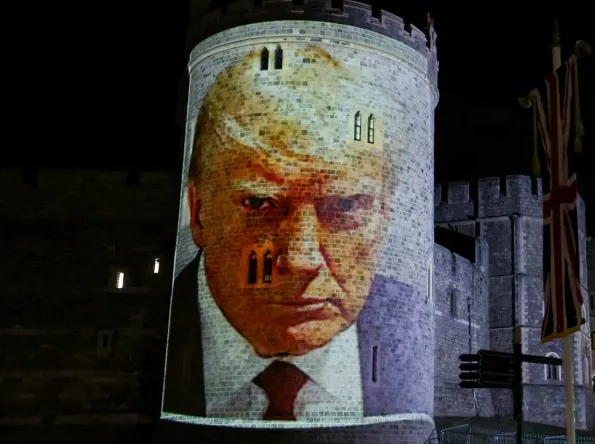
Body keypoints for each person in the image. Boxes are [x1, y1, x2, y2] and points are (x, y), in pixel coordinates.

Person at [162, 44, 427, 422]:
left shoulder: (413, 324)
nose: (302, 259)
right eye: (259, 205)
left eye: (346, 206)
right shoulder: (150, 328)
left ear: (385, 217)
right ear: (199, 211)